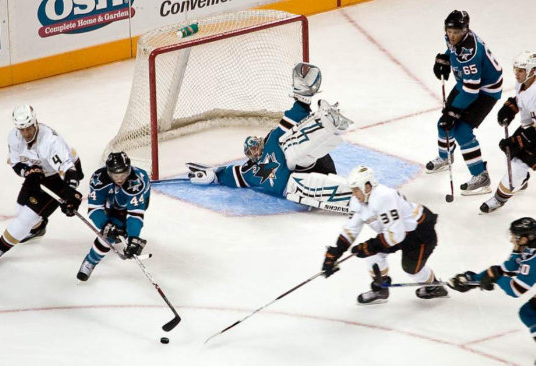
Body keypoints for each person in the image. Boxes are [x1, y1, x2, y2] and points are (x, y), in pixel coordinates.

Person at [187, 62, 354, 212]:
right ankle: (353, 196)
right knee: (295, 184)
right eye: (251, 150)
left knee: (290, 147)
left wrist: (303, 100)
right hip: (297, 182)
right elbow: (231, 175)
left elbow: (291, 120)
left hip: (317, 163)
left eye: (255, 146)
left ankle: (329, 123)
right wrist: (213, 176)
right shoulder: (249, 171)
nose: (255, 151)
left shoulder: (272, 140)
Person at [321, 165, 448, 304]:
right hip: (395, 231)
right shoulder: (358, 201)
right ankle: (380, 289)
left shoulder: (384, 196)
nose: (354, 194)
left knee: (412, 270)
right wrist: (335, 253)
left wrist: (370, 246)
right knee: (372, 255)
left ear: (367, 186)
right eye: (353, 190)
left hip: (419, 232)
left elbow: (396, 235)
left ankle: (434, 286)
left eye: (356, 189)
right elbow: (351, 229)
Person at [0, 105, 84, 265]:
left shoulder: (50, 141)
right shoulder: (14, 137)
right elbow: (17, 164)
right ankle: (38, 227)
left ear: (35, 123)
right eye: (21, 129)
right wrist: (28, 171)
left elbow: (69, 170)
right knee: (20, 208)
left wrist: (70, 193)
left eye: (28, 128)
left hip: (60, 176)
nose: (25, 133)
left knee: (25, 218)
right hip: (40, 173)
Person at [427, 10, 503, 195]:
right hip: (468, 83)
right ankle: (446, 158)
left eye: (456, 32)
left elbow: (471, 91)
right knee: (443, 124)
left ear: (465, 30)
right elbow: (453, 49)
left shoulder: (470, 54)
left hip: (486, 90)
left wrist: (454, 112)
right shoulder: (456, 36)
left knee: (461, 129)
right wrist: (445, 58)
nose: (451, 36)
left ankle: (481, 177)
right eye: (449, 31)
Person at [448, 217, 536, 346]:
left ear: (526, 238)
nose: (512, 239)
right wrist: (474, 279)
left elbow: (515, 290)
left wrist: (495, 277)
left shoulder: (533, 260)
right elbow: (507, 269)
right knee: (529, 312)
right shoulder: (530, 248)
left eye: (515, 236)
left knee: (528, 313)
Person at [76, 151, 151, 281]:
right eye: (115, 175)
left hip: (126, 205)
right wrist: (106, 225)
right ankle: (90, 261)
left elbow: (135, 215)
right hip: (109, 203)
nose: (120, 179)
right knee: (109, 232)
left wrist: (134, 238)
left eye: (123, 174)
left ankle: (120, 234)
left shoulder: (137, 181)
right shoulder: (99, 178)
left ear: (129, 169)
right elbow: (94, 209)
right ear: (108, 172)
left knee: (117, 230)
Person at [480, 51, 536, 213]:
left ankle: (499, 199)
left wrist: (520, 140)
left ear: (532, 71)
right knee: (513, 152)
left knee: (517, 166)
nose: (516, 73)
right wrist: (510, 107)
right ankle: (521, 180)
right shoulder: (523, 83)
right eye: (516, 69)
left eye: (521, 70)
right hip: (530, 127)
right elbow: (521, 99)